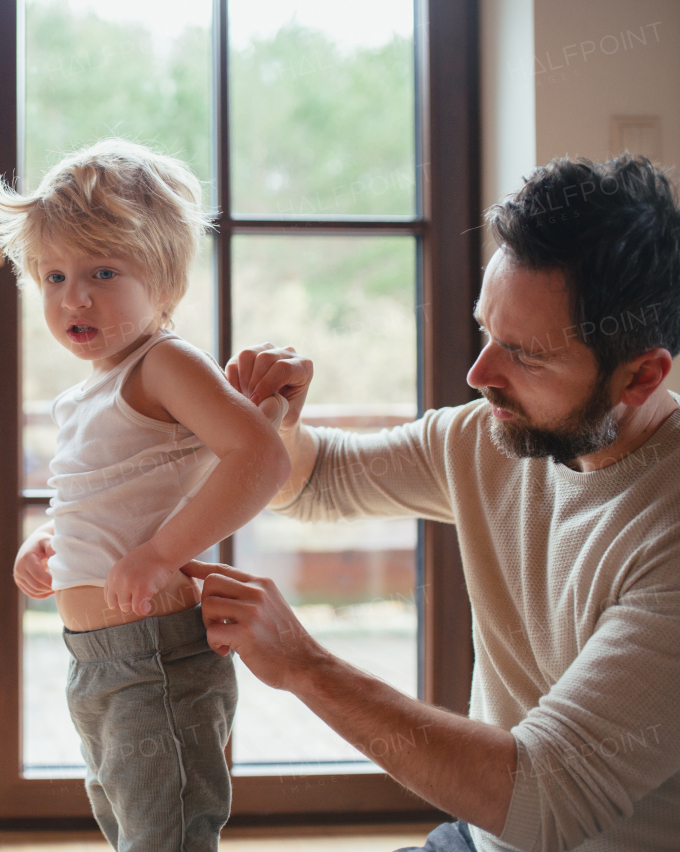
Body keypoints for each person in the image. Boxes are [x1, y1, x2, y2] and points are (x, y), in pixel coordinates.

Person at [189, 153, 680, 852]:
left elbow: (545, 799)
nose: (479, 375)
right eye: (486, 332)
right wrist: (281, 426)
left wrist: (306, 665)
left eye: (526, 356)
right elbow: (318, 479)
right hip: (481, 838)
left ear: (641, 377)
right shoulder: (494, 438)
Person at [0, 138, 291, 851]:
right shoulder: (89, 389)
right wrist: (49, 545)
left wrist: (161, 554)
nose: (74, 297)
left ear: (164, 280)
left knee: (167, 834)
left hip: (154, 654)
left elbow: (260, 458)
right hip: (96, 658)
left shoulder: (164, 362)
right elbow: (110, 495)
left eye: (102, 271)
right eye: (54, 276)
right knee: (133, 826)